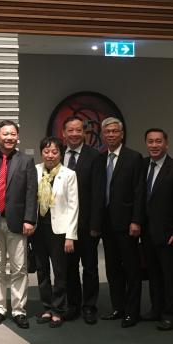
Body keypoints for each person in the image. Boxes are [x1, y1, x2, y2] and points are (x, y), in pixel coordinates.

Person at [93, 117, 144, 328]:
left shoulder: (134, 158)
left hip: (127, 224)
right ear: (103, 135)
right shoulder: (100, 158)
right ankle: (118, 307)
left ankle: (132, 312)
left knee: (132, 269)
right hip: (106, 224)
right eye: (107, 132)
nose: (111, 135)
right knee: (112, 268)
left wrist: (136, 221)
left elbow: (139, 192)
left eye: (115, 131)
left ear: (121, 134)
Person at [0, 120, 37, 329]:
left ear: (17, 137)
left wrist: (29, 219)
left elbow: (31, 193)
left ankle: (18, 310)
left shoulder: (26, 160)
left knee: (18, 268)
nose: (9, 137)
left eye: (13, 134)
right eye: (5, 133)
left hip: (17, 222)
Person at [141, 128, 173, 331]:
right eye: (150, 142)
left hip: (169, 233)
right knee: (154, 274)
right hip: (147, 232)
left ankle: (172, 314)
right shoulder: (142, 166)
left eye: (158, 141)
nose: (154, 145)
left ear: (166, 144)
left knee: (171, 276)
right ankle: (156, 309)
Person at [32, 137, 79, 327]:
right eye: (46, 151)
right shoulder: (34, 171)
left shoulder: (69, 174)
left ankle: (58, 309)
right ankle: (47, 307)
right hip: (38, 229)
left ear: (61, 153)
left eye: (54, 152)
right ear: (41, 152)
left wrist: (70, 235)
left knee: (60, 272)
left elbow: (74, 206)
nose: (50, 155)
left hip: (59, 231)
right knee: (42, 271)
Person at [61, 116, 102, 324]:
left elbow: (97, 193)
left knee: (90, 267)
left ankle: (89, 306)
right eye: (71, 130)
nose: (75, 134)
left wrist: (96, 224)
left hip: (87, 224)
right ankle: (73, 305)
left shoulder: (94, 156)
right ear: (64, 133)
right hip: (64, 224)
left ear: (84, 133)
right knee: (69, 267)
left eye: (79, 130)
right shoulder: (57, 155)